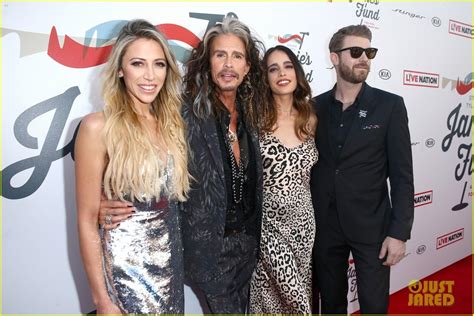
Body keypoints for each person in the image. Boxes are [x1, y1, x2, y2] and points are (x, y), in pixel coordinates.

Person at [97, 17, 266, 314]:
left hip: (249, 248)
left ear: (247, 67)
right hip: (210, 253)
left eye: (237, 56)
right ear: (207, 63)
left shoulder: (250, 113)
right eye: (220, 55)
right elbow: (132, 147)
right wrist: (100, 202)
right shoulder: (182, 114)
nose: (228, 64)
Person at [74, 19, 189, 314]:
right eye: (138, 63)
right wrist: (102, 300)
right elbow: (87, 220)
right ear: (121, 70)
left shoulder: (172, 125)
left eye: (159, 64)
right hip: (125, 276)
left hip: (170, 270)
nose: (150, 75)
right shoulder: (97, 127)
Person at [310, 24, 414, 314]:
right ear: (334, 58)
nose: (364, 58)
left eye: (369, 52)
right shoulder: (314, 108)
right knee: (330, 304)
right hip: (326, 226)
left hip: (373, 227)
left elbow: (403, 176)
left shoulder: (390, 106)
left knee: (374, 305)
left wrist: (399, 232)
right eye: (356, 52)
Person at [249, 45, 318, 313]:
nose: (281, 73)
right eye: (273, 68)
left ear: (297, 73)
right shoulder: (254, 118)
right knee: (293, 302)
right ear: (265, 77)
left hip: (303, 225)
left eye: (288, 66)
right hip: (268, 226)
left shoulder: (310, 118)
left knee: (286, 300)